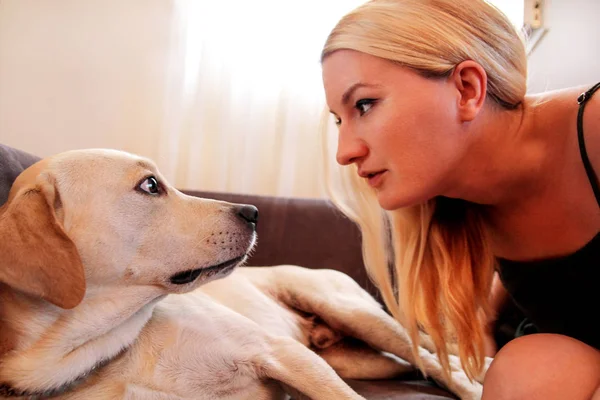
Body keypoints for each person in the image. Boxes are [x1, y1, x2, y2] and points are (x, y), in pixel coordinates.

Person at [319, 0, 600, 398]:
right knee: (532, 364)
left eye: (364, 104)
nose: (344, 152)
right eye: (338, 119)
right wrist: (483, 324)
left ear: (467, 89)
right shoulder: (457, 205)